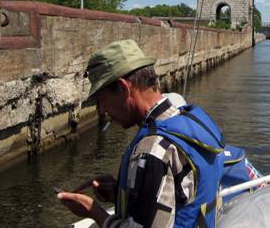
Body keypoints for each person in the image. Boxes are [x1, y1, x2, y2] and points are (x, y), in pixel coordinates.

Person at [58, 39, 225, 228]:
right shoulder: (192, 122)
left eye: (101, 99)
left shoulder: (153, 149)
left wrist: (94, 212)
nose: (102, 109)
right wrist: (123, 191)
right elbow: (181, 195)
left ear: (123, 88)